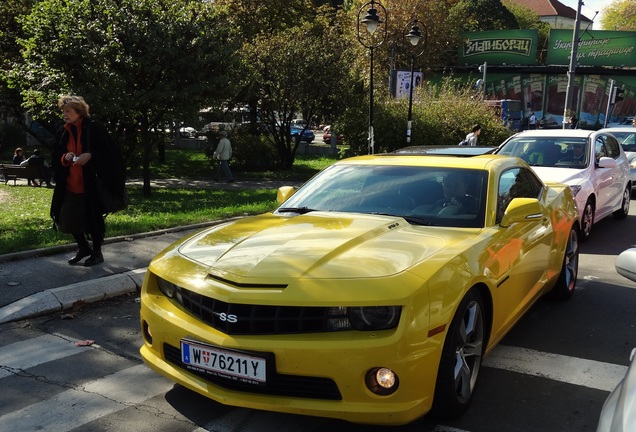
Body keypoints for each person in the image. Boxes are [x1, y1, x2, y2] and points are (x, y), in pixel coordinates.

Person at [50, 95, 126, 266]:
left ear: (79, 111)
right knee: (67, 218)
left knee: (93, 219)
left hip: (91, 185)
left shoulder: (94, 128)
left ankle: (97, 253)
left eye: (68, 111)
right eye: (64, 111)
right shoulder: (63, 131)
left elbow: (111, 152)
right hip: (70, 184)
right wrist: (65, 157)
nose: (65, 114)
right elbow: (56, 154)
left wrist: (90, 155)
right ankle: (84, 248)